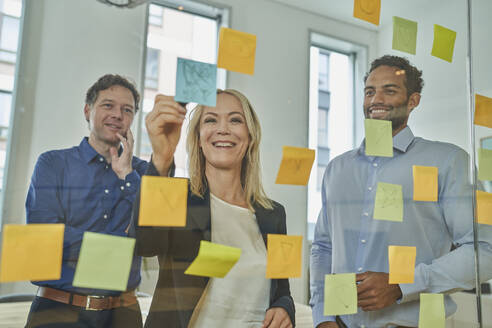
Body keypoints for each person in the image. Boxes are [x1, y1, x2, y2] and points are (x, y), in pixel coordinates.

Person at [309, 55, 492, 328]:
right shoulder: (338, 168)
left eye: (389, 90)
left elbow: (484, 251)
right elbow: (323, 247)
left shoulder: (448, 161)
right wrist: (322, 317)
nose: (376, 99)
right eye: (370, 91)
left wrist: (401, 285)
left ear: (413, 101)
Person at [132, 89, 295, 327]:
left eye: (235, 120)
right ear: (198, 138)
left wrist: (284, 307)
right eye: (211, 120)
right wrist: (161, 158)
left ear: (250, 136)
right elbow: (144, 244)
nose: (223, 129)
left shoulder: (275, 214)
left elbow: (283, 290)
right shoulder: (179, 198)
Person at [25, 74, 148, 328]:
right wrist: (123, 243)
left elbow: (150, 238)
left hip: (123, 316)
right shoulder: (53, 164)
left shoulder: (143, 174)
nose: (117, 114)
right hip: (57, 312)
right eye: (108, 105)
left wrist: (127, 177)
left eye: (127, 109)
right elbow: (44, 239)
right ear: (87, 110)